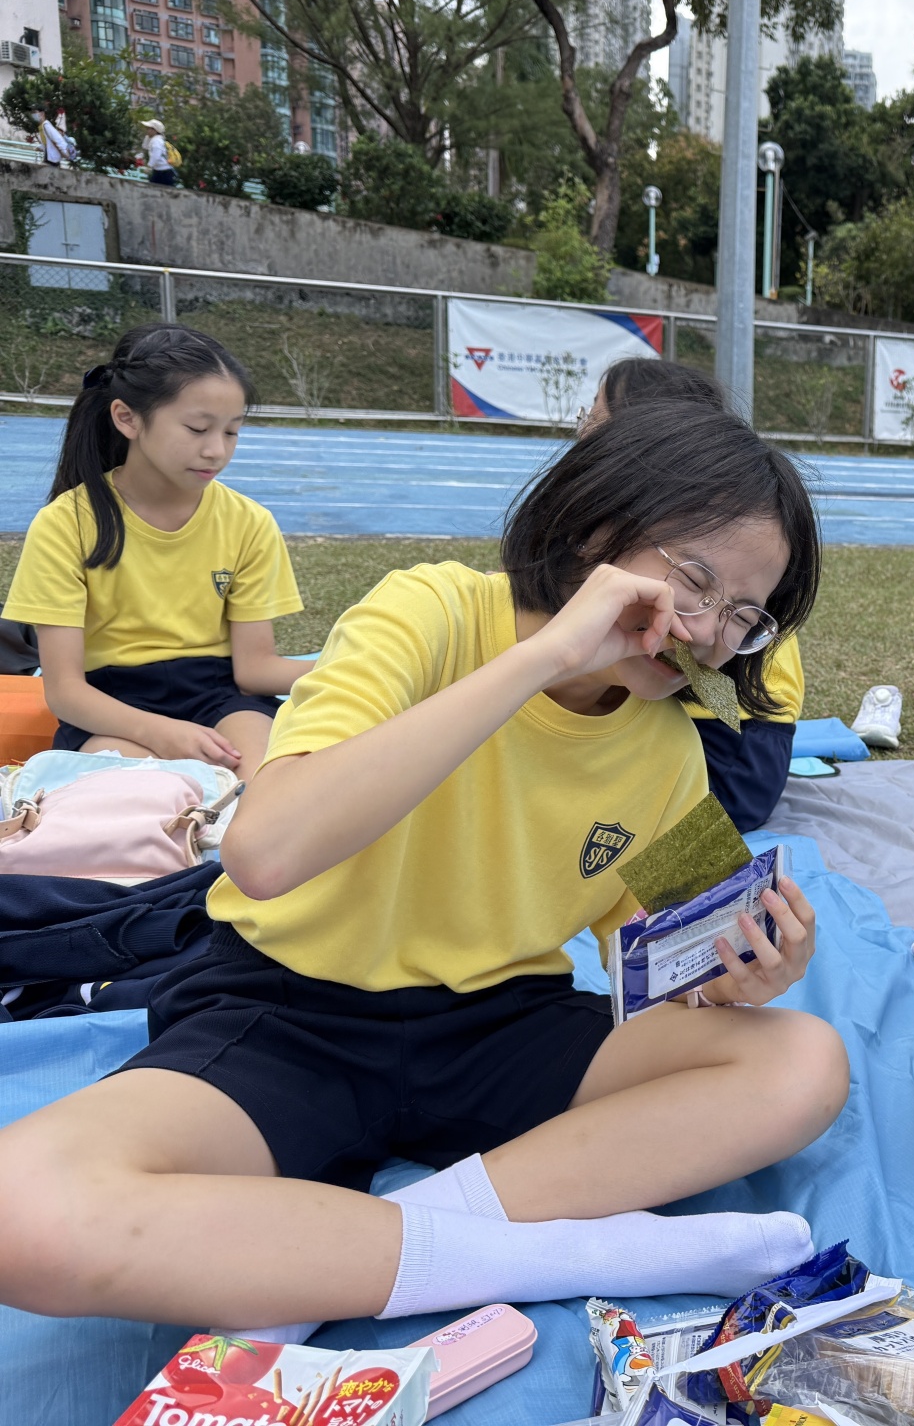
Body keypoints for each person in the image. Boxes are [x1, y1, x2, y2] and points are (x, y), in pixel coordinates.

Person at [0, 395, 847, 1338]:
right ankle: (555, 1252)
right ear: (595, 524)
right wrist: (547, 657)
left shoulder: (668, 751)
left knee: (801, 1060)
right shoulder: (429, 611)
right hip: (287, 1016)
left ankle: (377, 1244)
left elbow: (669, 968)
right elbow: (266, 851)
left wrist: (743, 968)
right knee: (21, 1208)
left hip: (497, 1030)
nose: (708, 631)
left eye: (744, 616)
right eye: (694, 581)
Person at [1, 324, 313, 780]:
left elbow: (254, 670)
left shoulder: (250, 522)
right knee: (137, 789)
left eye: (232, 432)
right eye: (197, 429)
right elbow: (65, 691)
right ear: (127, 418)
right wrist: (162, 733)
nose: (216, 450)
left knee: (265, 782)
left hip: (221, 697)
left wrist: (345, 666)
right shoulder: (64, 525)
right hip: (111, 706)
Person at [583, 356, 806, 830]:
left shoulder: (669, 742)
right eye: (693, 579)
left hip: (731, 743)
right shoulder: (446, 612)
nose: (583, 434)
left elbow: (687, 879)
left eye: (598, 420)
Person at [141, 118, 177, 187]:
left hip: (163, 172)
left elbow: (156, 155)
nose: (147, 130)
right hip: (160, 171)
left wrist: (149, 166)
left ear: (154, 130)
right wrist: (147, 137)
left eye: (149, 129)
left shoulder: (156, 141)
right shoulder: (156, 139)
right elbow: (145, 146)